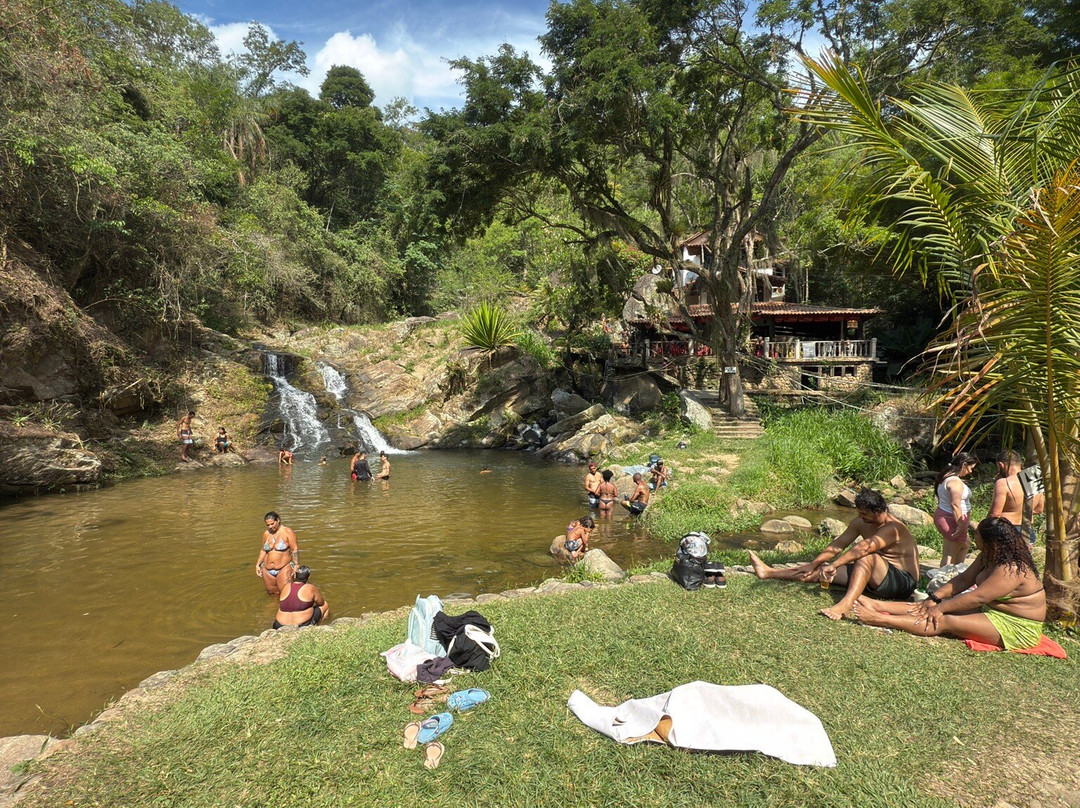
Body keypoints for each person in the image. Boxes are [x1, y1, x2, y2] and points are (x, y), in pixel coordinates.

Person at [854, 517, 1046, 650]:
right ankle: (877, 605)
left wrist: (941, 608)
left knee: (945, 619)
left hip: (1017, 626)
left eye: (977, 536)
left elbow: (977, 597)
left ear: (991, 543)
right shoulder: (987, 556)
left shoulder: (1011, 570)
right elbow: (963, 579)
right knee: (930, 605)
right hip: (990, 611)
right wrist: (935, 597)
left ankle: (879, 619)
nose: (974, 538)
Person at [748, 489, 920, 621]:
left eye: (864, 514)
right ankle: (768, 572)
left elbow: (863, 548)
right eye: (859, 512)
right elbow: (838, 545)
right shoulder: (860, 522)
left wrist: (835, 564)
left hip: (901, 582)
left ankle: (845, 605)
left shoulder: (893, 528)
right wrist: (814, 563)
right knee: (821, 571)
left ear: (877, 511)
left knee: (866, 557)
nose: (860, 517)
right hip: (874, 576)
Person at [988, 450, 1044, 545]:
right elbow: (1040, 509)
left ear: (1001, 465)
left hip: (1007, 530)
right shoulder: (1034, 480)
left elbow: (995, 514)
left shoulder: (1003, 483)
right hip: (1028, 531)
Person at [934, 452, 978, 566]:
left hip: (949, 517)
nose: (970, 471)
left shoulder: (947, 477)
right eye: (971, 468)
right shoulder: (954, 482)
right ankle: (946, 574)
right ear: (964, 465)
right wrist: (960, 524)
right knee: (949, 554)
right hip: (952, 518)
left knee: (965, 544)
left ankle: (957, 571)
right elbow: (955, 504)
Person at [255, 511, 299, 596]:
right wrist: (258, 564)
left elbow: (295, 549)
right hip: (267, 570)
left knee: (286, 593)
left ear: (278, 520)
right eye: (268, 525)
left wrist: (296, 565)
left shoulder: (287, 531)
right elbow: (263, 550)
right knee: (272, 593)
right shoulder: (266, 533)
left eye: (272, 524)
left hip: (283, 568)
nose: (270, 527)